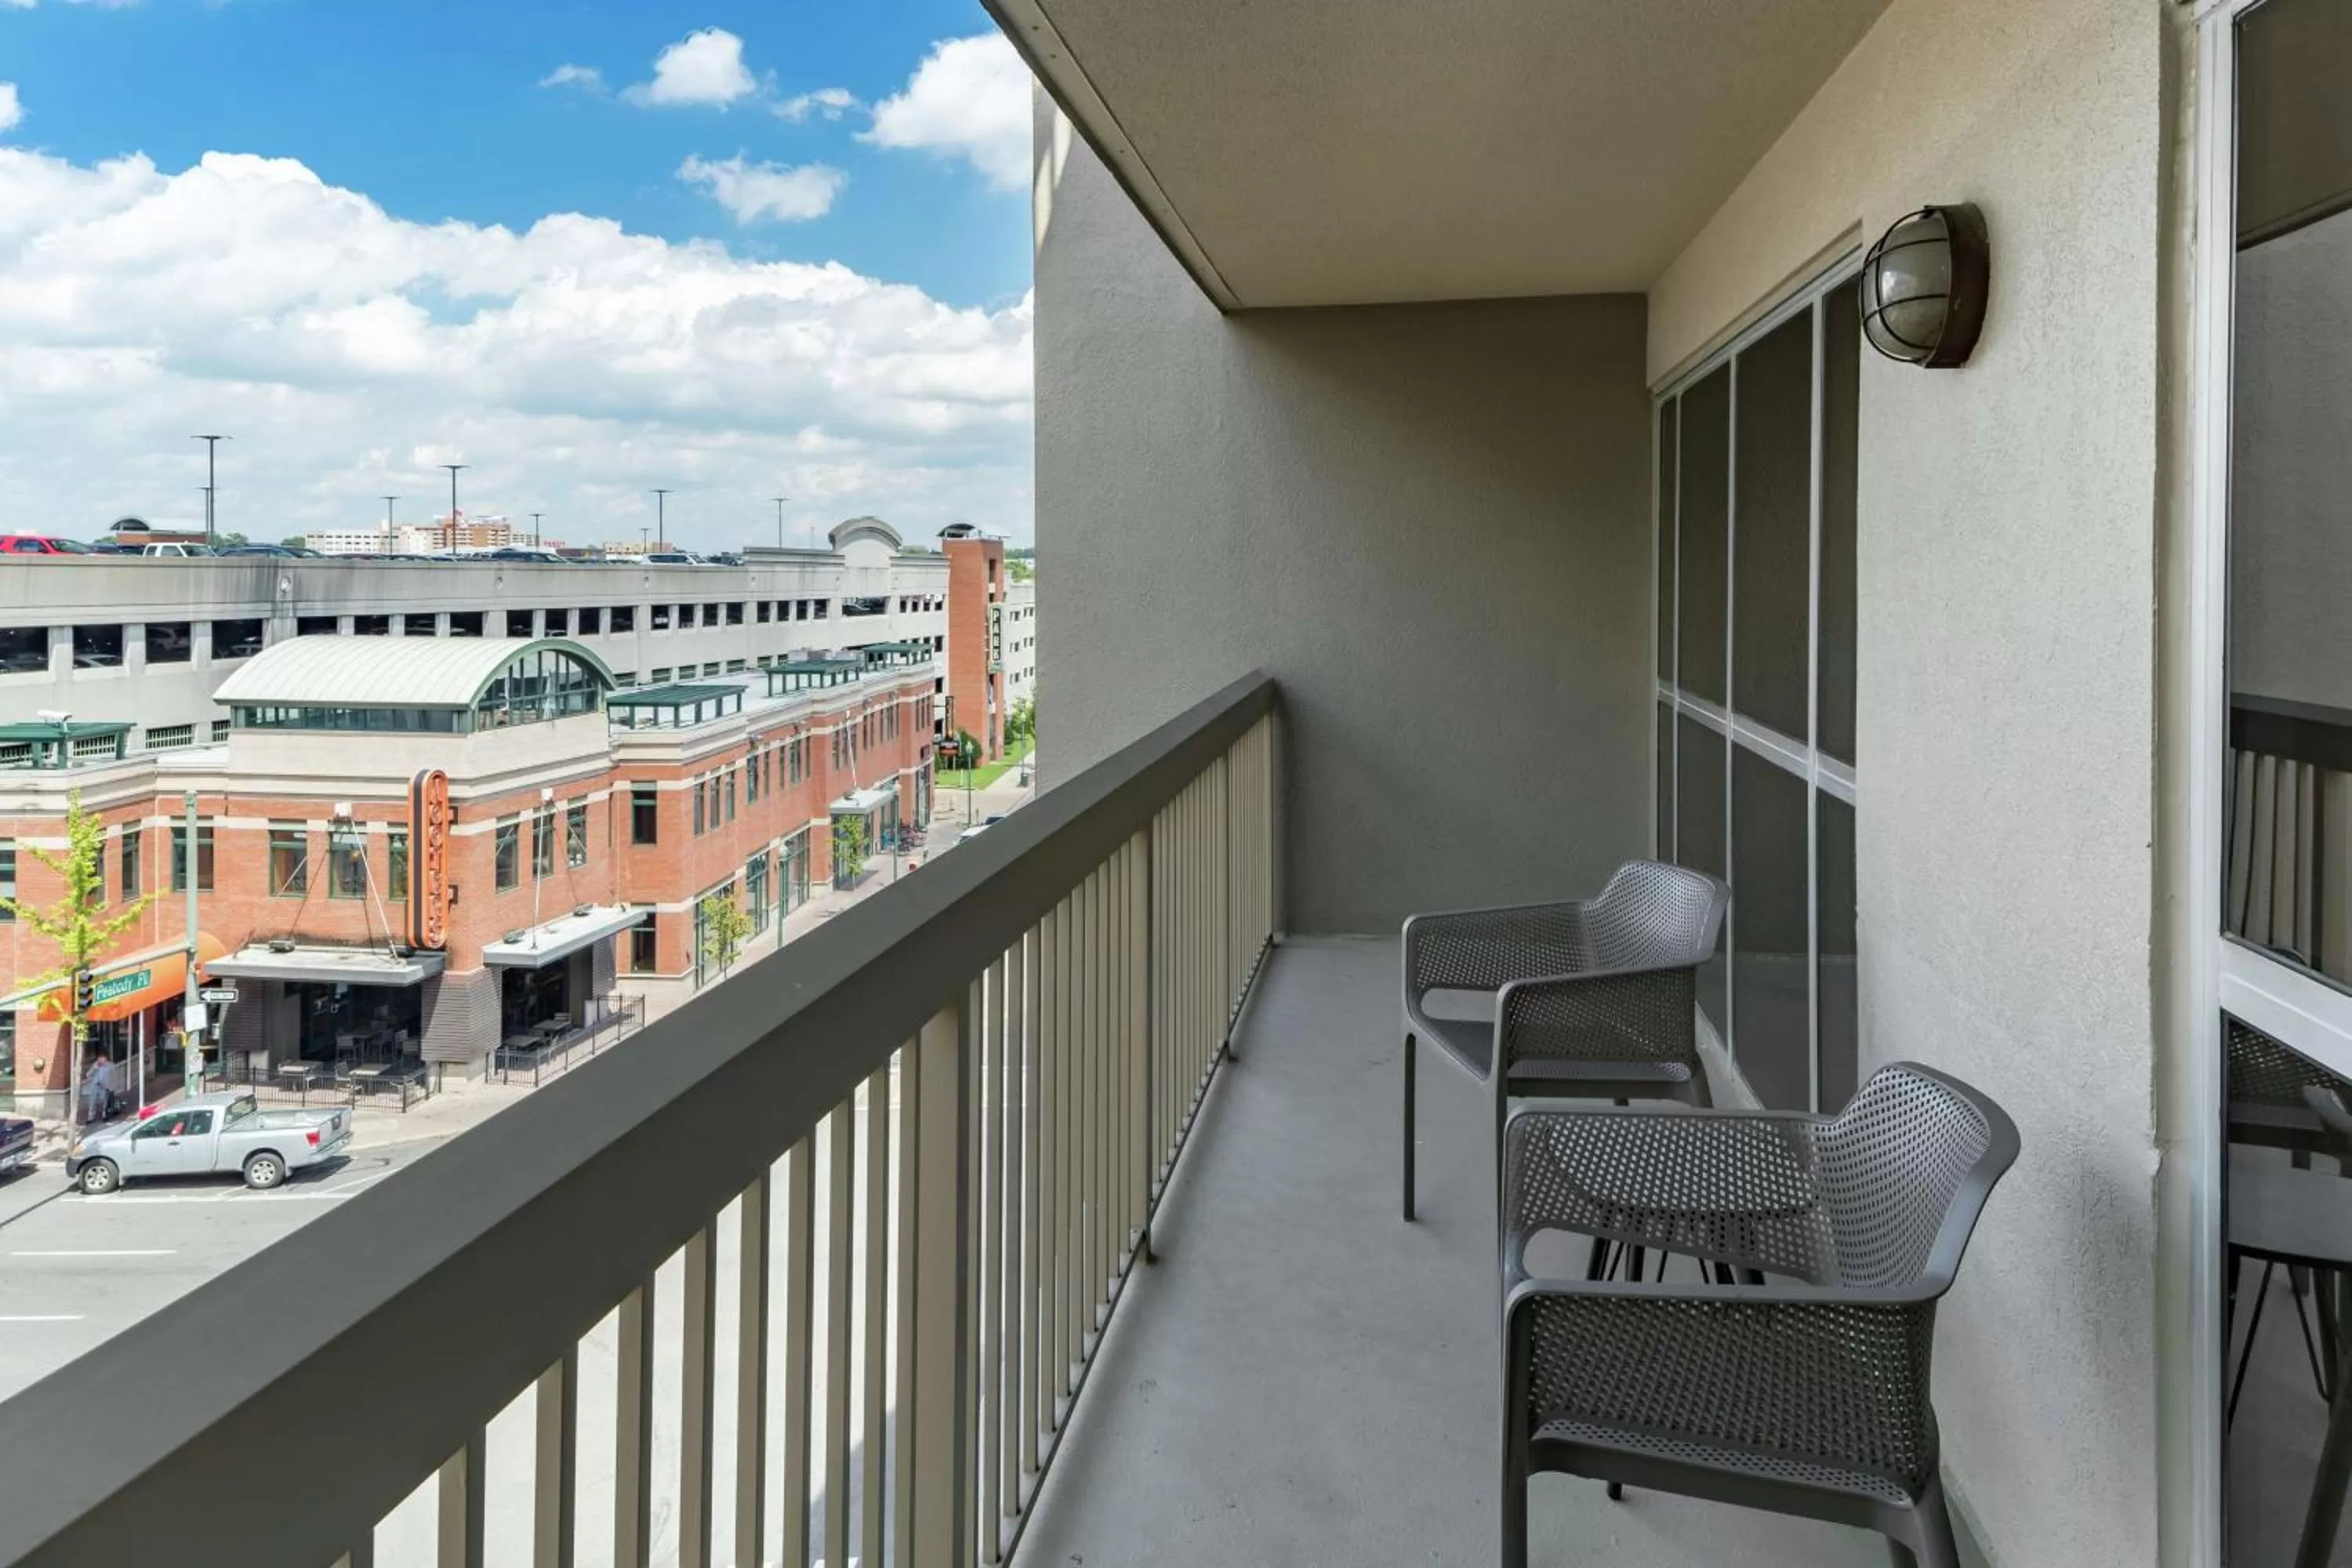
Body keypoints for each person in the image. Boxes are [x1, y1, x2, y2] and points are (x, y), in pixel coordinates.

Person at [82, 1051, 113, 1123]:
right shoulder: (95, 1065)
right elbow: (88, 1075)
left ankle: (104, 1115)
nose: (100, 1059)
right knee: (92, 1101)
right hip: (95, 1085)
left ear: (106, 1058)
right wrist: (95, 1068)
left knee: (104, 1101)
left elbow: (112, 1076)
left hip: (104, 1086)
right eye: (99, 1058)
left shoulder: (109, 1066)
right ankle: (90, 1117)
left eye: (102, 1058)